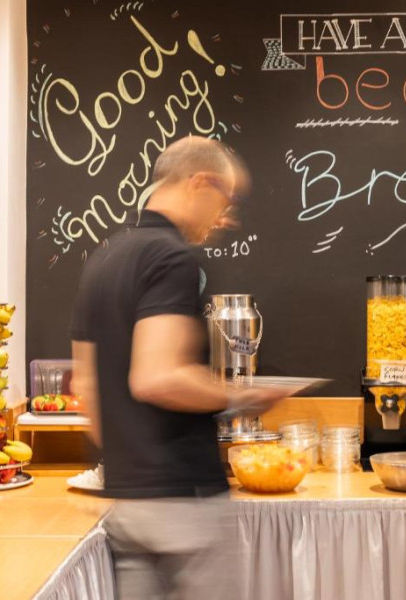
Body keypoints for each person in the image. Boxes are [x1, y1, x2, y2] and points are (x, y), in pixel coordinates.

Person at [70, 136, 284, 600]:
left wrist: (132, 460)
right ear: (200, 182)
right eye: (226, 200)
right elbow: (158, 377)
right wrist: (244, 397)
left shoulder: (104, 258)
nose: (225, 218)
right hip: (185, 504)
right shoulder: (172, 257)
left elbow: (83, 386)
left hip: (127, 502)